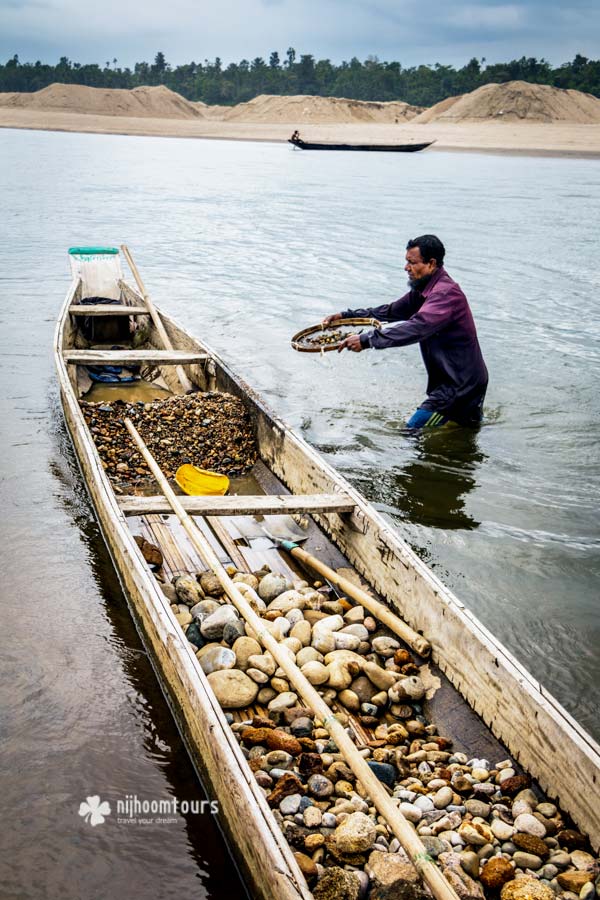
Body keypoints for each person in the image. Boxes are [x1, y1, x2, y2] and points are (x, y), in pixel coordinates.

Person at [324, 234, 488, 428]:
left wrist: (368, 340)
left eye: (412, 262)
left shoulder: (445, 294)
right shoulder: (424, 290)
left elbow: (416, 327)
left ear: (431, 263)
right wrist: (346, 316)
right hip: (459, 380)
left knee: (412, 430)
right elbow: (391, 311)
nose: (406, 268)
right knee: (465, 434)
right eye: (406, 262)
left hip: (458, 386)